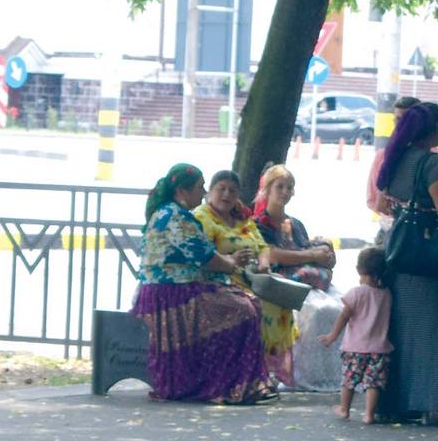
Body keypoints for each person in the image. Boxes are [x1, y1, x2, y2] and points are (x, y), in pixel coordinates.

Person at [131, 163, 271, 404]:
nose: (203, 192)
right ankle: (226, 385)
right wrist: (232, 263)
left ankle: (229, 383)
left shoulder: (169, 213)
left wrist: (230, 264)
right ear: (183, 191)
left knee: (245, 302)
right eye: (200, 187)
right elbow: (205, 258)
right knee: (245, 309)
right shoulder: (176, 217)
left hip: (173, 290)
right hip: (171, 295)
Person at [375, 102, 438, 425]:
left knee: (403, 330)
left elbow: (382, 203)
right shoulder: (432, 164)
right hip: (433, 260)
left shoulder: (393, 159)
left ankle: (401, 402)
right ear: (429, 130)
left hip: (400, 255)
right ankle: (435, 401)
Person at [252, 164, 336, 386]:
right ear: (267, 189)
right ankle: (298, 373)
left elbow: (303, 249)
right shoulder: (259, 224)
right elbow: (271, 255)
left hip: (307, 279)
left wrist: (323, 253)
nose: (285, 192)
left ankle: (325, 373)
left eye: (289, 187)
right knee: (318, 311)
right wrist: (311, 255)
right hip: (282, 282)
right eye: (280, 186)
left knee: (337, 308)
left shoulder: (295, 223)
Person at [365, 96, 438, 246]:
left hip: (396, 242)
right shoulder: (433, 162)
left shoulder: (391, 158)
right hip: (429, 245)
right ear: (435, 129)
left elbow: (379, 205)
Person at [318, 247, 393, 424]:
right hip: (379, 349)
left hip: (354, 348)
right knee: (373, 383)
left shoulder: (355, 293)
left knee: (349, 381)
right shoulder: (386, 294)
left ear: (359, 269)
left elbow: (344, 317)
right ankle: (369, 414)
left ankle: (344, 409)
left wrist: (332, 336)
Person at [193, 170, 270, 291]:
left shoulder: (242, 217)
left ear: (238, 195)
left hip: (252, 278)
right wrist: (231, 260)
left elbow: (262, 246)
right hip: (220, 282)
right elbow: (203, 256)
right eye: (221, 188)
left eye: (232, 190)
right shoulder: (201, 217)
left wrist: (264, 263)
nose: (227, 194)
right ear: (210, 191)